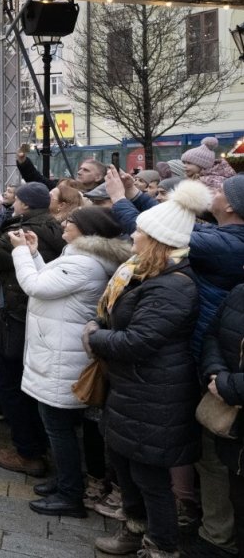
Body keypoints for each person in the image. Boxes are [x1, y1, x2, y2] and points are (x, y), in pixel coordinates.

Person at [86, 180, 209, 558]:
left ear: (158, 241)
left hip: (156, 393)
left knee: (150, 477)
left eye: (140, 232)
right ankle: (134, 528)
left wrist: (95, 337)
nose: (133, 236)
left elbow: (138, 341)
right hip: (132, 388)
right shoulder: (143, 273)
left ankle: (162, 546)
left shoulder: (173, 286)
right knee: (126, 467)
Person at [9, 206, 131, 518]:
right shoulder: (79, 257)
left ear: (86, 230)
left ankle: (70, 494)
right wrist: (34, 254)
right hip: (58, 351)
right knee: (56, 425)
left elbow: (35, 286)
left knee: (58, 426)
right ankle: (67, 480)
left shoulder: (85, 264)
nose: (64, 223)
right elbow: (48, 282)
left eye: (70, 221)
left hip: (62, 356)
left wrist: (20, 252)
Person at [0, 181, 65, 477]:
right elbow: (4, 251)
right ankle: (38, 445)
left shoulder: (24, 232)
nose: (12, 203)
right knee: (28, 385)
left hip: (16, 318)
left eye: (16, 199)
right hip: (38, 318)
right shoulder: (51, 226)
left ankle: (27, 451)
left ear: (25, 204)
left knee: (7, 383)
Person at [199, 278, 244, 558]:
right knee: (237, 499)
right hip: (231, 423)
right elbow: (212, 334)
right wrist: (216, 373)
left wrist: (228, 385)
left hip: (231, 394)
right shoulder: (239, 292)